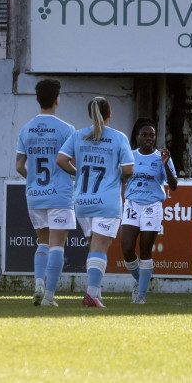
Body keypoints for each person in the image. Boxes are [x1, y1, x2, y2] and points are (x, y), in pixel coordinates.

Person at [57, 96, 133, 308]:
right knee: (100, 247)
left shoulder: (78, 135)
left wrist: (77, 174)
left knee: (94, 247)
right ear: (110, 114)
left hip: (82, 200)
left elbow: (61, 160)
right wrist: (121, 177)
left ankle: (96, 294)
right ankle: (91, 295)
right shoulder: (118, 138)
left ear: (90, 115)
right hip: (106, 202)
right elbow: (128, 169)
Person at [15, 79, 75, 307]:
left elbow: (19, 166)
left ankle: (38, 283)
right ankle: (49, 296)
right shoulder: (66, 129)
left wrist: (32, 181)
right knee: (58, 245)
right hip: (59, 194)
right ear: (57, 99)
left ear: (38, 99)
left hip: (35, 195)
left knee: (42, 242)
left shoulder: (26, 129)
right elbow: (72, 163)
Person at [120, 118, 177, 304]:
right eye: (144, 135)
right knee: (127, 248)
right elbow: (121, 177)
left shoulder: (162, 156)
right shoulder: (129, 155)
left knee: (145, 250)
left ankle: (141, 296)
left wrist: (166, 164)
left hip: (152, 206)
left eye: (151, 135)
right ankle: (141, 280)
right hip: (131, 204)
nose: (148, 138)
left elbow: (174, 185)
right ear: (137, 137)